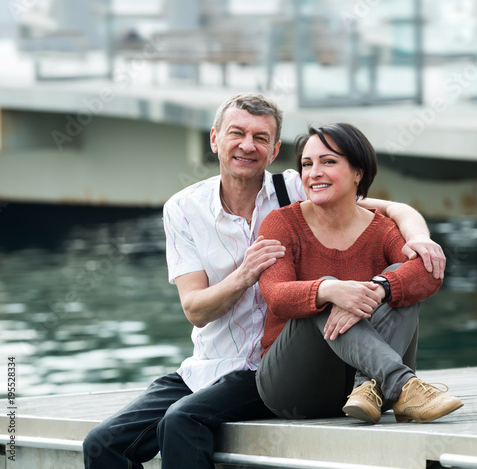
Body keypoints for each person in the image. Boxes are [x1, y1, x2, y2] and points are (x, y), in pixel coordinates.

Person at [83, 94, 447, 468]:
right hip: (208, 363)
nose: (247, 145)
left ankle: (395, 383)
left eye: (260, 138)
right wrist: (244, 275)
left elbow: (375, 206)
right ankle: (398, 383)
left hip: (275, 364)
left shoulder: (298, 186)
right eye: (236, 133)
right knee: (103, 445)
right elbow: (194, 309)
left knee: (182, 421)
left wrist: (418, 236)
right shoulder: (183, 208)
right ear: (214, 139)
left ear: (273, 151)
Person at [256, 123, 463, 425]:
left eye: (328, 161)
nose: (314, 172)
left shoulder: (381, 229)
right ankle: (403, 383)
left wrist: (380, 289)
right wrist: (329, 290)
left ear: (358, 172)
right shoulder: (281, 223)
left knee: (399, 278)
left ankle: (368, 386)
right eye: (306, 164)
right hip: (295, 390)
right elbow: (276, 295)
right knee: (325, 291)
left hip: (370, 396)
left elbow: (427, 274)